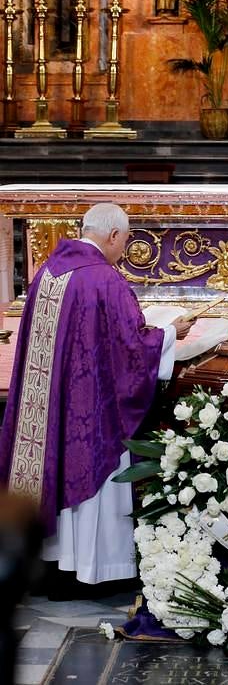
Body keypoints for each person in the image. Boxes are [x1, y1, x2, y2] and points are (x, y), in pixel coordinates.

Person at [0, 203, 193, 590]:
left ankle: (53, 564)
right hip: (93, 409)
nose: (123, 247)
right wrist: (170, 332)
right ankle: (95, 571)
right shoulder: (105, 280)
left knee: (56, 465)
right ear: (113, 236)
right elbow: (131, 348)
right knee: (95, 478)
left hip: (54, 405)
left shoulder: (48, 272)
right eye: (124, 239)